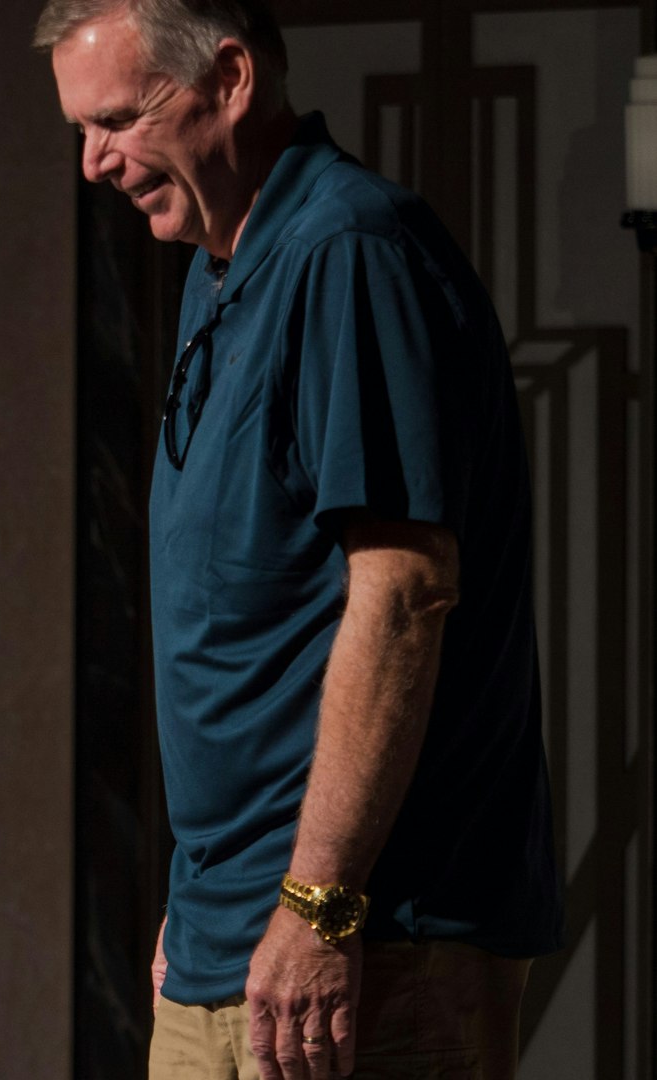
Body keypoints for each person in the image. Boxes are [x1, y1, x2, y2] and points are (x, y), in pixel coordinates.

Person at [37, 2, 562, 1078]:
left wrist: (318, 905)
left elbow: (405, 592)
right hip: (229, 938)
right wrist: (207, 901)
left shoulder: (351, 251)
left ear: (230, 79)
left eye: (119, 121)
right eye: (79, 130)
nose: (93, 163)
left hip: (369, 941)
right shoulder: (217, 270)